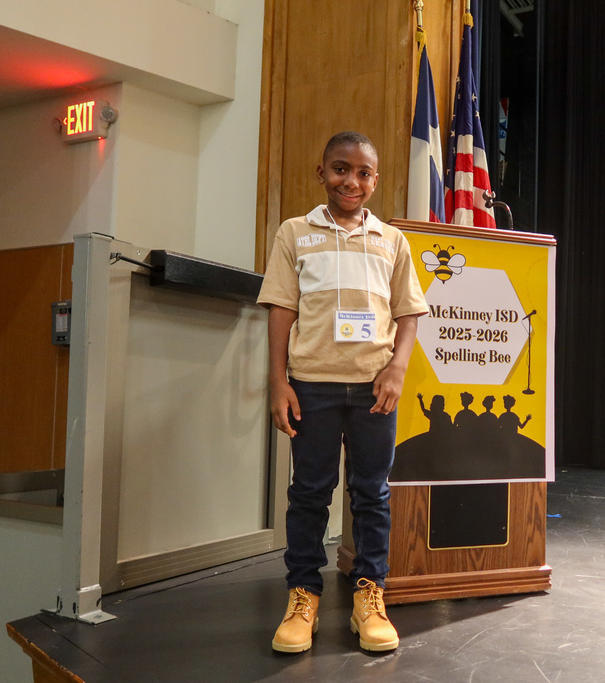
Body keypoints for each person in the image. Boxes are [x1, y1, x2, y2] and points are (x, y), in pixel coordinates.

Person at [257, 131, 427, 654]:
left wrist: (397, 368)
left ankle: (369, 595)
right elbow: (282, 311)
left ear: (375, 180)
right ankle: (302, 596)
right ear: (321, 172)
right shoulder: (294, 232)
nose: (351, 181)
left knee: (371, 494)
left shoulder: (391, 241)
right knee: (309, 492)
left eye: (363, 173)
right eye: (340, 169)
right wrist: (278, 380)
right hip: (312, 386)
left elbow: (408, 313)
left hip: (374, 387)